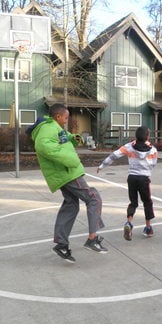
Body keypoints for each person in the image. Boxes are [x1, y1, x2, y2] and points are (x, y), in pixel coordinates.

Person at [30, 103, 107, 263]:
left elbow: (61, 139)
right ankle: (92, 238)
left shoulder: (53, 127)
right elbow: (44, 147)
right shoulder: (47, 129)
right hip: (67, 172)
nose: (66, 120)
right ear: (58, 116)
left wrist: (73, 138)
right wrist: (71, 159)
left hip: (63, 173)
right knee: (93, 197)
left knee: (71, 204)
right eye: (65, 117)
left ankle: (61, 244)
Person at [97, 126, 158, 241]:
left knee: (133, 202)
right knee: (147, 202)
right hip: (144, 178)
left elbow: (114, 155)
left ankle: (129, 223)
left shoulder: (129, 147)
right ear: (147, 137)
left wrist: (102, 165)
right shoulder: (153, 149)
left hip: (132, 178)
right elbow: (153, 163)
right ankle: (148, 227)